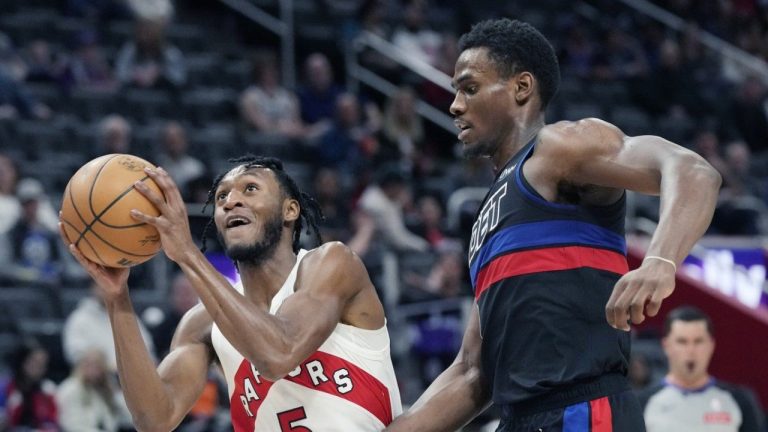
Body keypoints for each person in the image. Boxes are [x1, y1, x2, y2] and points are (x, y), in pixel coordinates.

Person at [385, 18, 721, 431]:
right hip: (520, 418)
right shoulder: (486, 218)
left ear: (522, 87)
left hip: (581, 409)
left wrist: (660, 261)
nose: (454, 105)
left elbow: (692, 171)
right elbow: (473, 371)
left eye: (469, 88)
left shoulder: (559, 147)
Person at [59, 155, 402, 431]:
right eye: (221, 196)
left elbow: (279, 354)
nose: (231, 201)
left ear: (290, 210)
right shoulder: (202, 322)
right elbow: (155, 419)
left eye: (250, 189)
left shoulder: (330, 263)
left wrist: (187, 253)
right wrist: (117, 298)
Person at [639, 306, 765, 432]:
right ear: (666, 346)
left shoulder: (739, 401)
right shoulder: (642, 403)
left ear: (711, 345)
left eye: (698, 341)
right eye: (682, 342)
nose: (691, 350)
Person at [55, 349, 131, 432]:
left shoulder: (103, 389)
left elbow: (128, 418)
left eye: (97, 366)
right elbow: (71, 425)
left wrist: (115, 391)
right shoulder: (70, 388)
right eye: (89, 365)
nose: (93, 370)